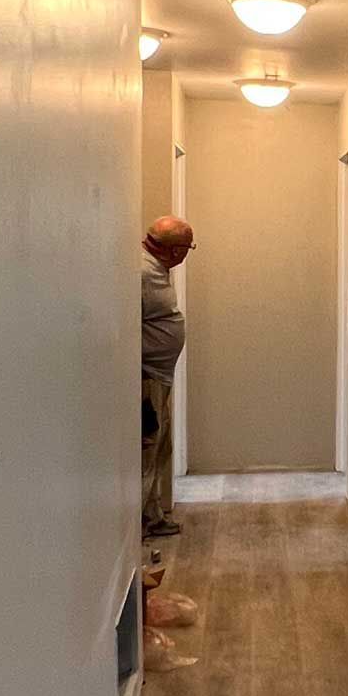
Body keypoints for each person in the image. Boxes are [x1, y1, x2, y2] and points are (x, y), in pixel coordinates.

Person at [141, 215, 193, 537]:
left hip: (158, 378)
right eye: (188, 247)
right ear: (174, 251)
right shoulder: (143, 274)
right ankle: (137, 531)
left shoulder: (156, 269)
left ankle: (152, 516)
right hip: (145, 382)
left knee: (160, 450)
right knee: (147, 453)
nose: (189, 252)